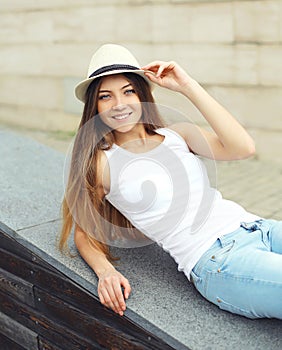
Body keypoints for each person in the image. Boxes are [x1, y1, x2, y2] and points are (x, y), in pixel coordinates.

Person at [59, 44, 282, 319]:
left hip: (260, 228)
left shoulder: (178, 135)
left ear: (142, 94)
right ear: (95, 105)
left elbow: (243, 147)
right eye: (106, 96)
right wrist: (106, 272)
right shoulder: (101, 162)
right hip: (219, 260)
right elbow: (84, 231)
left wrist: (187, 86)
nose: (119, 104)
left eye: (128, 91)